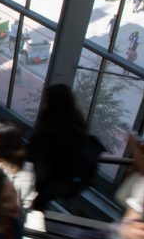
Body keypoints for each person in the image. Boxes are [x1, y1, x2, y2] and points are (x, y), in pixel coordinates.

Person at [27, 84, 103, 212]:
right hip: (66, 176)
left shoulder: (49, 123)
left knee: (40, 202)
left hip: (51, 175)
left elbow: (40, 149)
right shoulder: (75, 119)